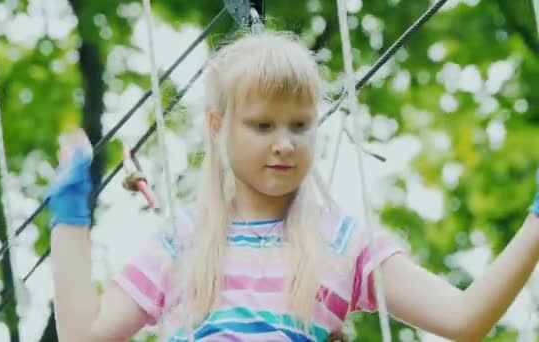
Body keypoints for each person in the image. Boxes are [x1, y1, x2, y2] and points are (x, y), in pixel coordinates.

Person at [48, 31, 539, 341]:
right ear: (218, 127)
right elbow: (83, 335)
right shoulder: (185, 241)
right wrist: (69, 217)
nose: (284, 144)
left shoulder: (342, 245)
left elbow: (464, 319)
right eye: (263, 126)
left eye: (299, 126)